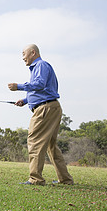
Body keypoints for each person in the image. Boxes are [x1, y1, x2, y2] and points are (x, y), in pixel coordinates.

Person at [8, 44, 73, 185]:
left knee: (35, 141)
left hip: (45, 109)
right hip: (51, 107)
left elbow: (39, 84)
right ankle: (65, 179)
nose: (22, 57)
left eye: (23, 54)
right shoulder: (40, 67)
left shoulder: (41, 65)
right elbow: (44, 89)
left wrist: (18, 86)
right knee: (51, 145)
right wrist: (26, 100)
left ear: (33, 53)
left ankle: (35, 179)